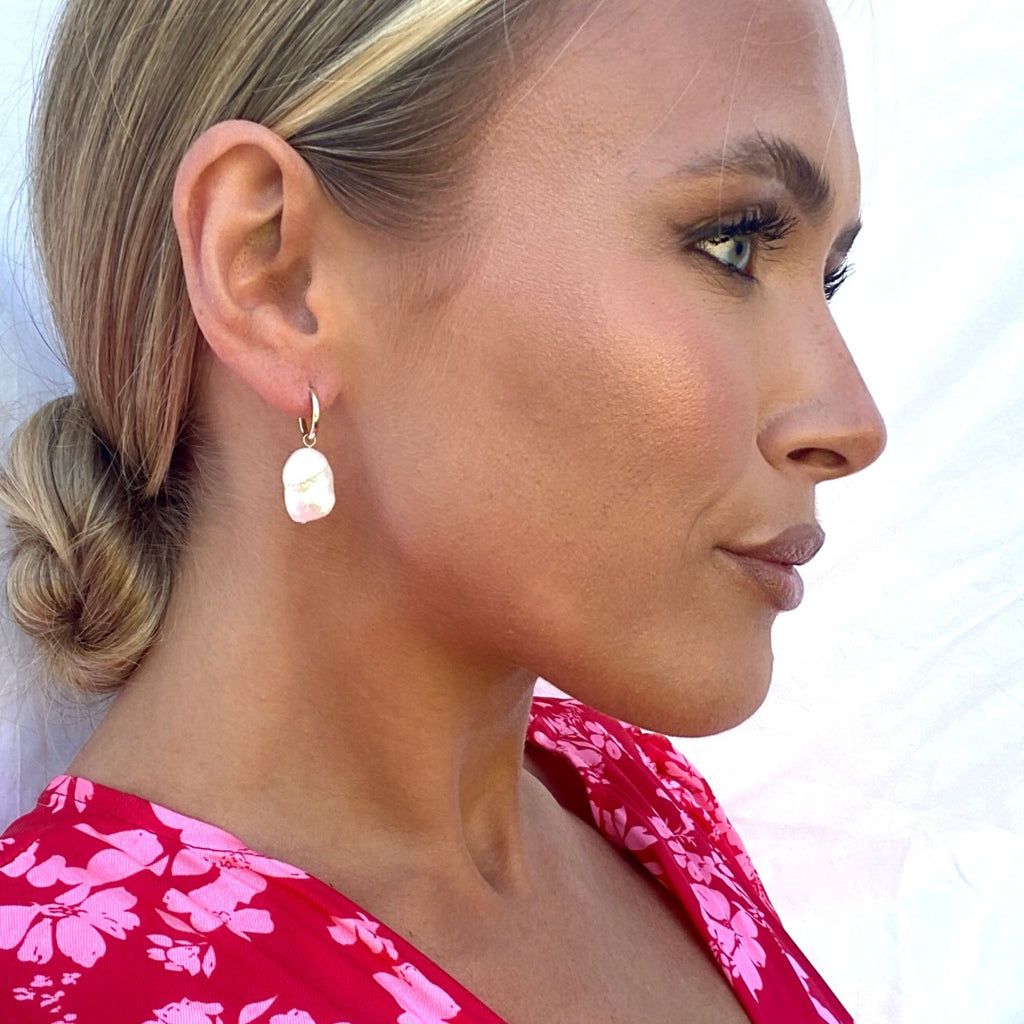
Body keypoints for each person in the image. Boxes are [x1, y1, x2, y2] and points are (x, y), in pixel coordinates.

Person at [0, 0, 886, 1020]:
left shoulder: (619, 795)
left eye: (827, 277)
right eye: (732, 244)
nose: (852, 422)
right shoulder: (74, 996)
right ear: (278, 273)